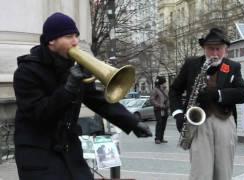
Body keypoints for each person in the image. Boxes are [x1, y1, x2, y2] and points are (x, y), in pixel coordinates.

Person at [13, 12, 152, 180]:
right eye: (69, 36)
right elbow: (40, 114)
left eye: (76, 36)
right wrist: (68, 88)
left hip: (68, 147)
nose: (75, 42)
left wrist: (131, 122)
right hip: (37, 152)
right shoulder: (26, 72)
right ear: (51, 40)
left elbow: (98, 100)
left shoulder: (73, 68)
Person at [169, 27, 244, 180]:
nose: (214, 53)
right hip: (198, 125)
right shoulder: (191, 65)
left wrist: (218, 95)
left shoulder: (232, 67)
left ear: (225, 49)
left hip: (224, 122)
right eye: (210, 49)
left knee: (223, 172)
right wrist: (178, 115)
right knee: (201, 173)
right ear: (204, 48)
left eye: (218, 49)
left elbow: (243, 94)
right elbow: (174, 91)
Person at [150, 76, 169, 144]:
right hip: (158, 109)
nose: (165, 84)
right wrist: (159, 105)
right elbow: (152, 99)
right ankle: (157, 138)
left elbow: (167, 98)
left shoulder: (165, 90)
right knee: (159, 123)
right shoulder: (155, 90)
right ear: (161, 83)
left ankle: (161, 138)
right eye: (164, 82)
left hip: (165, 109)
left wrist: (168, 105)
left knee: (163, 124)